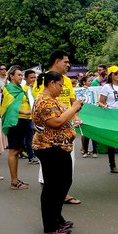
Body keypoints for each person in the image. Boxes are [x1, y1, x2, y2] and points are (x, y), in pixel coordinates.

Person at [32, 71, 83, 234]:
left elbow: (63, 116)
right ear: (52, 83)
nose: (62, 89)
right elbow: (56, 122)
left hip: (60, 147)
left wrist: (74, 111)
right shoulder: (44, 101)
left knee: (63, 183)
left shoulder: (52, 100)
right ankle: (50, 225)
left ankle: (57, 218)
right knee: (52, 187)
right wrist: (74, 107)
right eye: (61, 85)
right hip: (49, 147)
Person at [33, 50, 81, 204]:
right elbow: (45, 110)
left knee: (67, 167)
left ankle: (61, 194)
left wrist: (76, 116)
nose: (68, 65)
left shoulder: (66, 80)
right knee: (49, 169)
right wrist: (71, 111)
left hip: (66, 129)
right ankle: (49, 195)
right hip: (50, 135)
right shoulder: (43, 79)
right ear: (56, 61)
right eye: (65, 62)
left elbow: (71, 100)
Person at [2, 65, 31, 190]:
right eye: (18, 75)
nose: (21, 77)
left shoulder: (19, 88)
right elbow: (9, 106)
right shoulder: (8, 88)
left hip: (23, 121)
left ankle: (15, 178)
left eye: (21, 75)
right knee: (13, 151)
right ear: (12, 76)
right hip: (15, 122)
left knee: (18, 150)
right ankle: (14, 181)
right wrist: (25, 112)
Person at [22, 69, 39, 165]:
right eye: (31, 78)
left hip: (36, 116)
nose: (33, 79)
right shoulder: (23, 89)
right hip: (26, 117)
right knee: (29, 137)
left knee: (34, 137)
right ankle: (31, 156)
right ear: (26, 78)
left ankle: (33, 154)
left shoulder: (36, 88)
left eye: (35, 77)